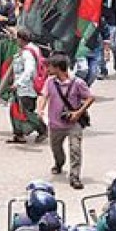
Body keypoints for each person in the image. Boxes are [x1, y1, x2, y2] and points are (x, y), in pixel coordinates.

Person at [37, 53, 93, 190]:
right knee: (56, 148)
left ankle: (75, 176)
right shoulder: (50, 82)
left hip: (73, 122)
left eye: (49, 66)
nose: (47, 69)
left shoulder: (78, 83)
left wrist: (78, 113)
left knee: (75, 149)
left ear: (58, 68)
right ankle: (59, 163)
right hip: (55, 122)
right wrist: (40, 109)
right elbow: (44, 96)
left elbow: (90, 98)